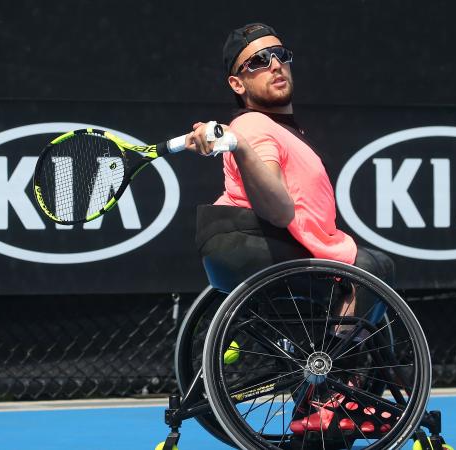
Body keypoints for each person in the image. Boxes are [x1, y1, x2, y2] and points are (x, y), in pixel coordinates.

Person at [184, 23, 397, 441]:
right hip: (247, 244)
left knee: (362, 280)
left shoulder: (270, 130)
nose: (275, 65)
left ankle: (331, 400)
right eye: (258, 61)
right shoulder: (254, 129)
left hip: (240, 246)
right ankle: (329, 397)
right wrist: (241, 146)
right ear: (237, 82)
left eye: (280, 54)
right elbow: (279, 210)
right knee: (374, 267)